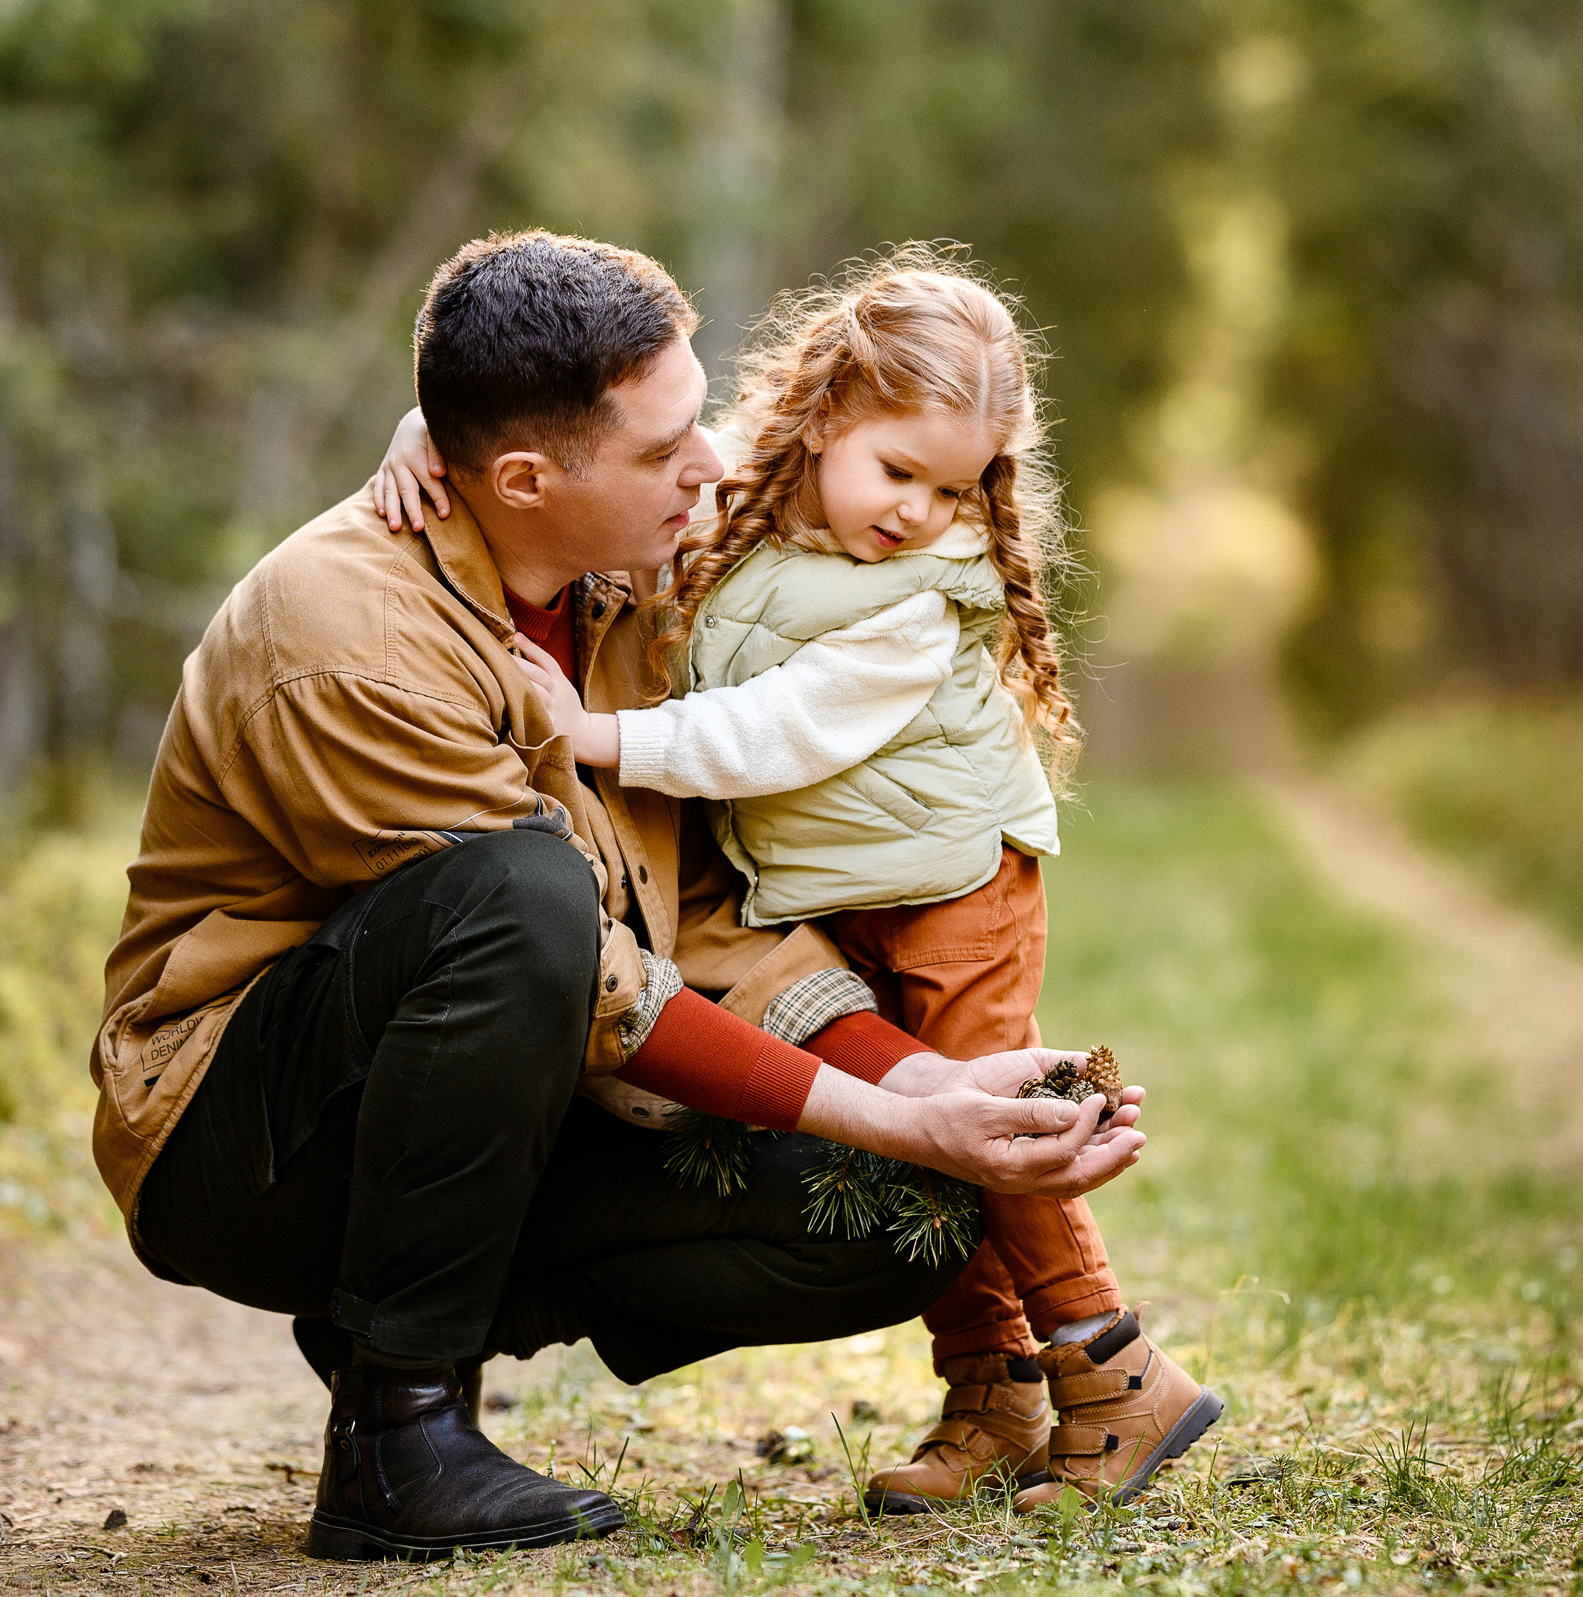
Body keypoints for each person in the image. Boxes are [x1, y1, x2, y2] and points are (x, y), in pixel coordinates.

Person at [93, 230, 1146, 1563]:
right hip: (245, 1135)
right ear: (524, 477)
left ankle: (403, 1296)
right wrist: (889, 1109)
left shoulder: (622, 588)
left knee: (906, 1213)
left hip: (496, 1090)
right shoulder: (344, 638)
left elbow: (696, 912)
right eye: (666, 448)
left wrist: (929, 1093)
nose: (707, 464)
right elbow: (582, 966)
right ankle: (396, 1429)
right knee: (521, 894)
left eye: (695, 419)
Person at [373, 248, 1220, 1514]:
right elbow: (573, 443)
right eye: (899, 470)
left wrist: (595, 735)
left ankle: (1114, 1369)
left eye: (959, 485)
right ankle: (989, 1393)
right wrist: (420, 434)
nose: (921, 510)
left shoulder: (920, 598)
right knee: (940, 1155)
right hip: (848, 889)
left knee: (996, 1134)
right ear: (824, 417)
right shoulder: (749, 500)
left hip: (956, 891)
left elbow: (774, 728)